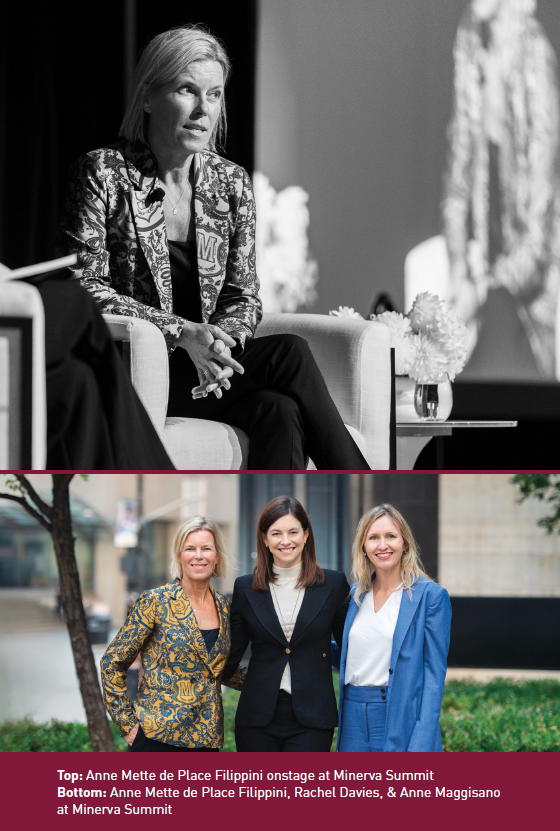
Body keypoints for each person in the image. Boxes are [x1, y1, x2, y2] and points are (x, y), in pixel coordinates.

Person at [56, 24, 370, 470]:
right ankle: (375, 497)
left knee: (280, 411)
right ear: (148, 97)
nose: (204, 109)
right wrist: (183, 332)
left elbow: (243, 294)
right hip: (135, 367)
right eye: (188, 90)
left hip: (206, 371)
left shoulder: (231, 182)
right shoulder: (103, 173)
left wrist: (219, 348)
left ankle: (272, 530)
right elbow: (81, 287)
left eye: (216, 94)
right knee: (290, 352)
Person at [443, 0, 560, 380]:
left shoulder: (535, 57)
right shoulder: (470, 39)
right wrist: (461, 269)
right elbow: (458, 174)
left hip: (529, 282)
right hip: (485, 266)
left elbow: (540, 229)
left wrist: (486, 289)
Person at [101, 517, 245, 751]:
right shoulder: (155, 602)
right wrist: (128, 727)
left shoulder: (226, 608)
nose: (199, 556)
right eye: (190, 548)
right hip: (155, 739)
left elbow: (220, 671)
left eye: (206, 548)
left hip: (205, 741)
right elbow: (112, 663)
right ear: (179, 555)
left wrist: (275, 677)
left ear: (216, 556)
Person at [222, 496, 349, 751]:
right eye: (276, 533)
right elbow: (230, 654)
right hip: (257, 718)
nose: (286, 540)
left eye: (293, 532)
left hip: (313, 717)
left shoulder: (333, 584)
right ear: (265, 539)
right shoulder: (245, 587)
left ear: (306, 535)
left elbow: (350, 648)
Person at [333, 504, 451, 752]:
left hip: (398, 716)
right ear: (363, 547)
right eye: (373, 538)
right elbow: (348, 654)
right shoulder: (355, 595)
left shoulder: (431, 596)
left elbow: (434, 676)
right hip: (351, 715)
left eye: (391, 536)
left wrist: (422, 740)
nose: (382, 545)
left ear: (405, 543)